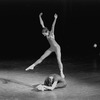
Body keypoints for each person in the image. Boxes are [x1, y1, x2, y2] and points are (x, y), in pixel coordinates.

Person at [25, 12, 65, 78]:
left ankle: (61, 72)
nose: (43, 35)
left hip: (57, 47)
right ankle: (33, 66)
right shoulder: (45, 29)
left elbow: (53, 26)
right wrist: (39, 16)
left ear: (47, 32)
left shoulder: (51, 33)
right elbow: (42, 24)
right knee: (42, 57)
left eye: (44, 34)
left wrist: (55, 19)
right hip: (51, 47)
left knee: (58, 60)